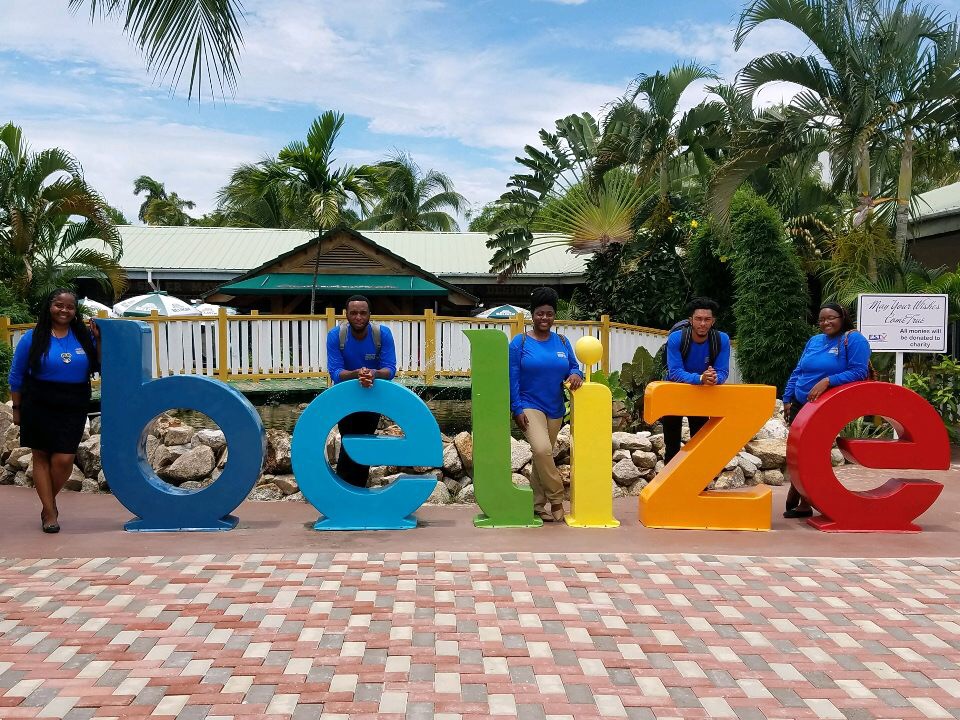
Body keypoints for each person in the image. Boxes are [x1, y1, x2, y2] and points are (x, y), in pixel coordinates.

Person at [9, 288, 100, 533]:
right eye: (59, 305)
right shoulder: (33, 337)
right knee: (41, 456)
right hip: (38, 399)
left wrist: (98, 339)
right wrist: (17, 410)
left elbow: (100, 363)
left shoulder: (83, 336)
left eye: (70, 307)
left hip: (74, 401)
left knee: (64, 458)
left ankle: (48, 501)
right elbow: (16, 375)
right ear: (49, 306)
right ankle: (49, 512)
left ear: (75, 310)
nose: (64, 310)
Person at [782, 302, 870, 518]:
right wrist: (787, 396)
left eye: (831, 318)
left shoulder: (853, 339)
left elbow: (859, 372)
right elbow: (799, 370)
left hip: (825, 406)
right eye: (821, 319)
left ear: (842, 318)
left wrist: (828, 381)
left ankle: (804, 499)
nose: (825, 322)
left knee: (811, 452)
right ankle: (799, 489)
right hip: (801, 404)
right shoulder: (814, 341)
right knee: (796, 450)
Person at [509, 287, 584, 523]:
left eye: (549, 314)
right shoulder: (519, 343)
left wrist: (576, 374)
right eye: (540, 313)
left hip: (555, 408)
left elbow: (574, 366)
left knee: (543, 457)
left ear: (554, 316)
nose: (545, 318)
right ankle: (557, 499)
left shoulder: (562, 341)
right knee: (542, 450)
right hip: (529, 404)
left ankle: (536, 506)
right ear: (533, 315)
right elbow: (513, 378)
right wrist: (516, 407)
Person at [325, 295, 397, 488]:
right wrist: (358, 373)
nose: (358, 317)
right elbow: (336, 372)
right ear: (346, 314)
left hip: (372, 396)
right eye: (354, 313)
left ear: (370, 314)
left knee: (365, 441)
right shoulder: (336, 335)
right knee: (348, 440)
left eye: (363, 313)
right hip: (345, 397)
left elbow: (390, 369)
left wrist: (372, 373)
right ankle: (344, 490)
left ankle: (357, 490)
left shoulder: (382, 334)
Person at [662, 297, 731, 463]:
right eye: (698, 319)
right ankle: (671, 486)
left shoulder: (721, 340)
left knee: (699, 444)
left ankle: (701, 487)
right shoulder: (676, 338)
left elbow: (722, 371)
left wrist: (715, 378)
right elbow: (675, 372)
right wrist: (700, 378)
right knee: (671, 446)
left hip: (701, 393)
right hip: (675, 392)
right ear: (690, 320)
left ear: (713, 321)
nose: (702, 324)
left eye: (707, 319)